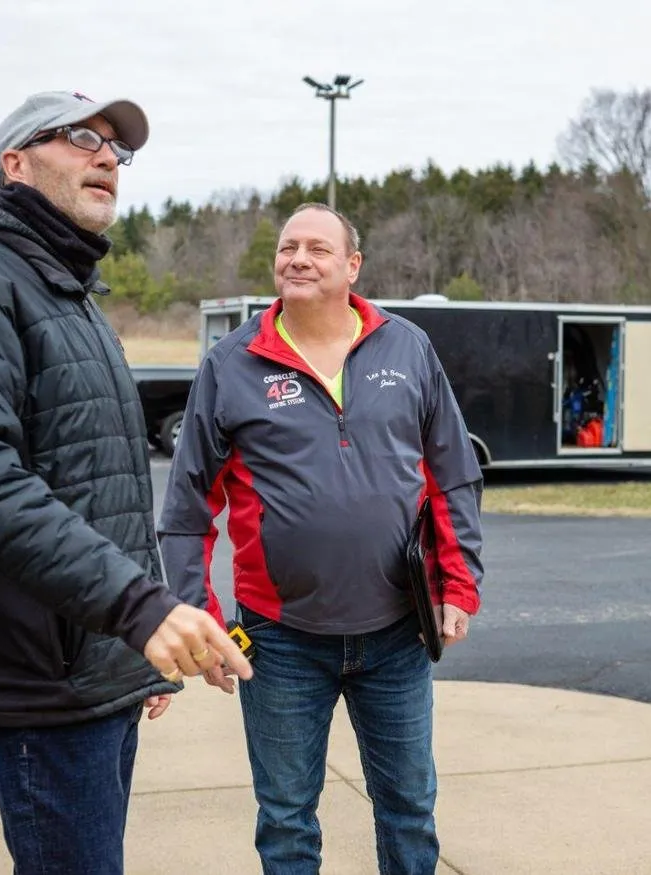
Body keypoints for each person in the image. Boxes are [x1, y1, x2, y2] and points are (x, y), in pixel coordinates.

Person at [0, 90, 252, 875]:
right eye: (82, 137)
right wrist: (137, 608)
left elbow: (106, 485)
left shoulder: (70, 292)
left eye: (118, 148)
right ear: (14, 163)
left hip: (96, 670)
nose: (107, 157)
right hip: (41, 684)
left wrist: (136, 649)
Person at [159, 202, 484, 874]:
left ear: (351, 265)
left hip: (397, 632)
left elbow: (452, 474)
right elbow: (188, 505)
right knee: (285, 819)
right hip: (278, 642)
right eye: (287, 247)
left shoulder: (407, 347)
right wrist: (202, 622)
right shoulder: (232, 363)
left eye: (317, 248)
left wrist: (460, 583)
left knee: (409, 810)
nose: (298, 259)